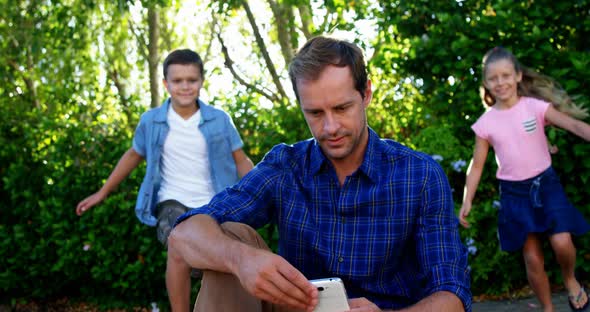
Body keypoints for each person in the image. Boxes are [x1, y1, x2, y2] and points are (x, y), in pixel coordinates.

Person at [166, 36, 471, 312]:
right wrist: (240, 260)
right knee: (232, 236)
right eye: (315, 113)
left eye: (341, 108)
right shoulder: (286, 165)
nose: (330, 128)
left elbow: (453, 294)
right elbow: (183, 233)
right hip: (299, 307)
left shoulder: (419, 175)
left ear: (365, 94)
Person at [76, 48, 254, 295]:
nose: (185, 87)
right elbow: (132, 156)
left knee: (208, 259)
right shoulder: (151, 121)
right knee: (176, 240)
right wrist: (102, 192)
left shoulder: (219, 120)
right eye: (177, 81)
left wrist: (264, 192)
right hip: (172, 202)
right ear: (166, 83)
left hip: (215, 203)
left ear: (202, 81)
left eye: (191, 80)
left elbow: (241, 160)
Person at [459, 46, 590, 312]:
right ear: (485, 83)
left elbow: (573, 124)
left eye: (506, 75)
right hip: (514, 194)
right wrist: (467, 199)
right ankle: (547, 307)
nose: (500, 82)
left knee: (562, 241)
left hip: (546, 185)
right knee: (532, 258)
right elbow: (476, 166)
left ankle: (570, 279)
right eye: (493, 78)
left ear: (518, 76)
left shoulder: (535, 107)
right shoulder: (486, 123)